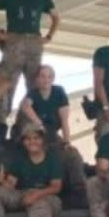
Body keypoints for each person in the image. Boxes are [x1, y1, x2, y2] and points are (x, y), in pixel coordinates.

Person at [14, 65, 87, 204]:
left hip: (52, 136)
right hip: (35, 136)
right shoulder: (33, 93)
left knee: (72, 155)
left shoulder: (59, 92)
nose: (46, 79)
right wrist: (39, 123)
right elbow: (25, 106)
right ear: (37, 79)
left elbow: (64, 119)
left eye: (49, 76)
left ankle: (79, 191)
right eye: (42, 76)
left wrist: (67, 142)